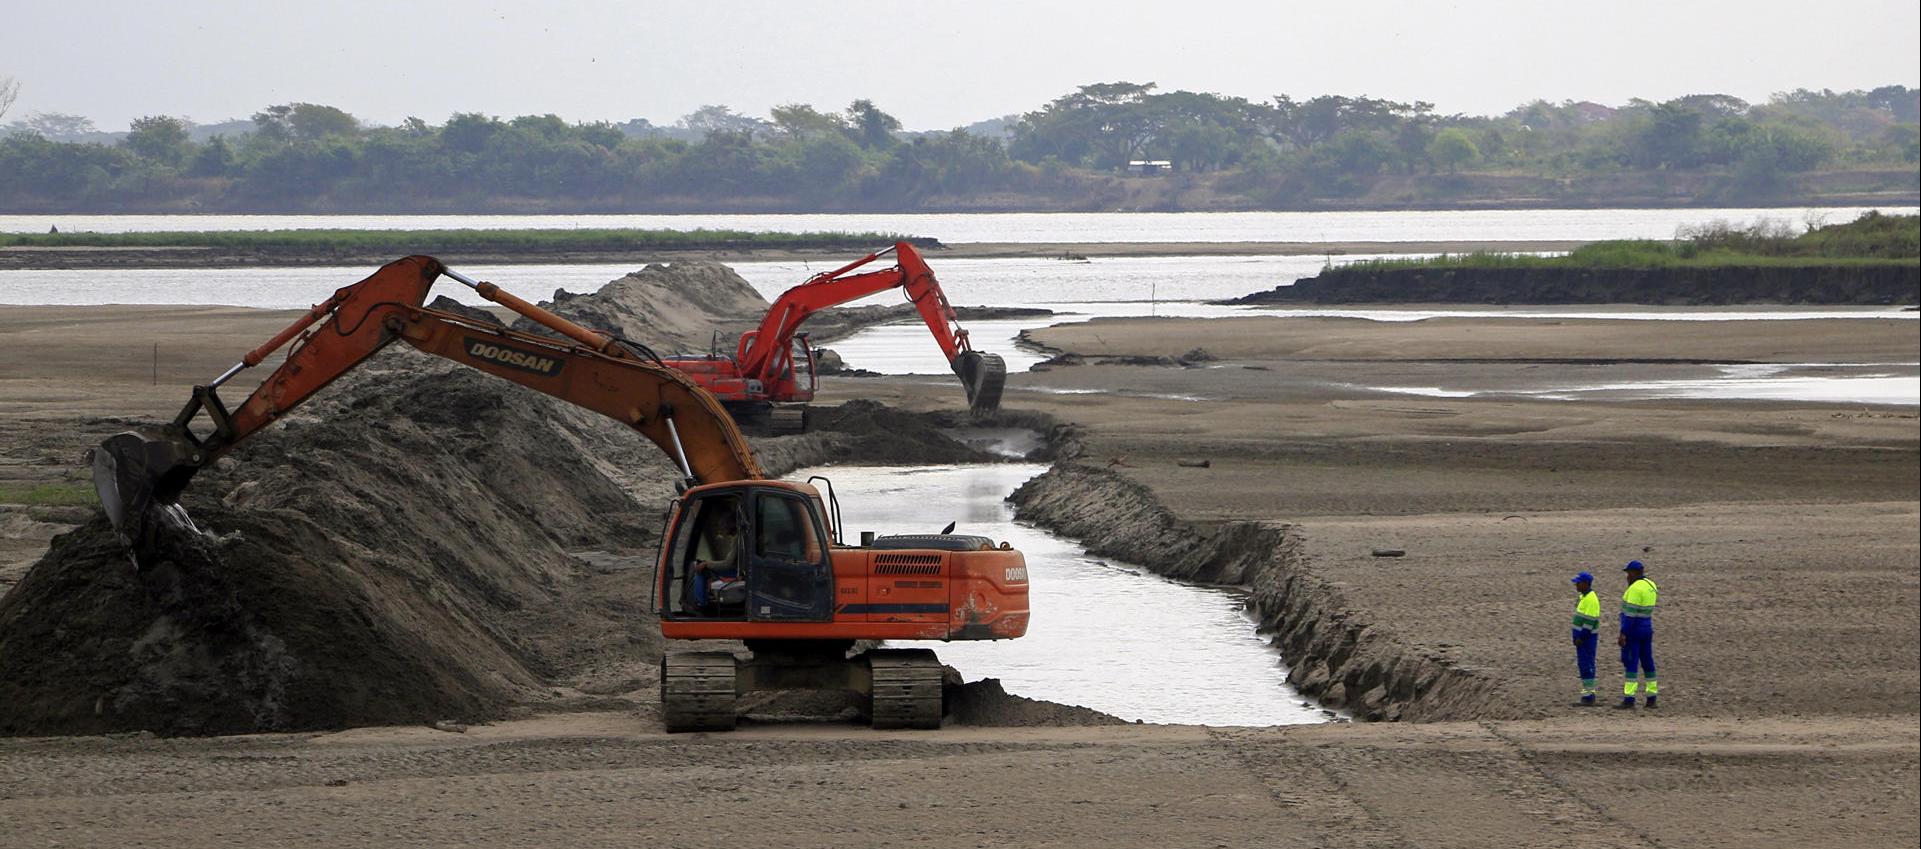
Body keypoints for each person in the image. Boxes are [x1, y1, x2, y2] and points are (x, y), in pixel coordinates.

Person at [1616, 559, 1659, 709]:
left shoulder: (1635, 589)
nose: (1627, 577)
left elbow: (1630, 615)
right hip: (1647, 627)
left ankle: (1629, 698)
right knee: (1648, 662)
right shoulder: (1651, 585)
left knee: (1631, 662)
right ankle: (1652, 696)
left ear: (1635, 573)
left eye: (1628, 573)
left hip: (1634, 630)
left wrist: (1623, 633)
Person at [689, 505, 745, 615]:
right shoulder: (739, 537)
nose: (722, 529)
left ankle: (701, 604)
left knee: (701, 571)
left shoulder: (738, 539)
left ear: (730, 526)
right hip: (738, 570)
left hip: (738, 572)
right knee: (701, 565)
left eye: (723, 526)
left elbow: (727, 564)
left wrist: (706, 564)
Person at [1570, 571, 1601, 706]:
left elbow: (1590, 621)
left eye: (1578, 582)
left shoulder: (1590, 599)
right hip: (1583, 638)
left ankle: (1588, 696)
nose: (1576, 585)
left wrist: (1580, 637)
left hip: (1586, 639)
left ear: (1586, 583)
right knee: (1584, 665)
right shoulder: (1584, 596)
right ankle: (1587, 693)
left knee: (1586, 665)